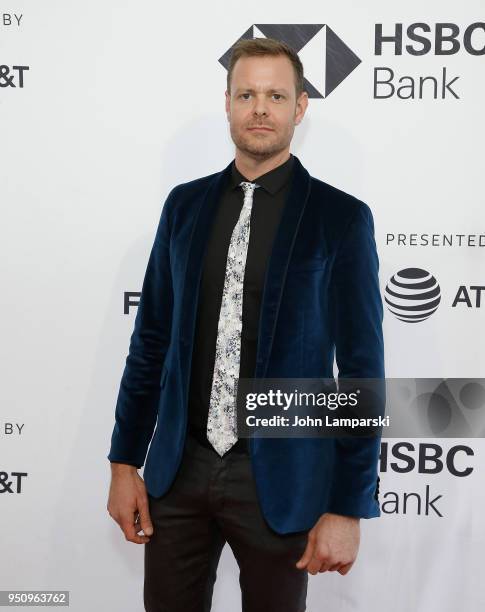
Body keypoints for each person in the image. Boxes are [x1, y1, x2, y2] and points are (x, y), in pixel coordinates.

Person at [107, 37, 384, 612]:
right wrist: (123, 461)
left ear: (299, 107)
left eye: (276, 95)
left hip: (281, 478)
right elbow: (150, 341)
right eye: (247, 94)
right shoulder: (184, 206)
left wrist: (348, 505)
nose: (261, 108)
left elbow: (361, 370)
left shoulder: (340, 218)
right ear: (228, 103)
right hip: (178, 471)